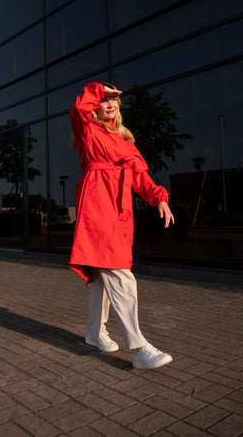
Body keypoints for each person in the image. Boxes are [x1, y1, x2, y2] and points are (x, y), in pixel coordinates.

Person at [69, 82, 175, 369]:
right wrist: (98, 88)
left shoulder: (126, 141)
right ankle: (139, 347)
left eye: (114, 100)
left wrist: (159, 199)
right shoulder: (87, 129)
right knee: (120, 273)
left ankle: (95, 333)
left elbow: (141, 176)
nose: (110, 104)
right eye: (104, 100)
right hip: (96, 204)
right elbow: (80, 106)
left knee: (104, 276)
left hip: (119, 209)